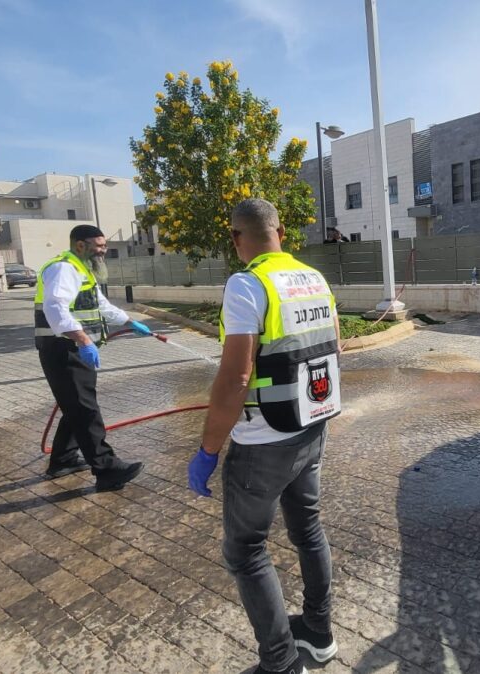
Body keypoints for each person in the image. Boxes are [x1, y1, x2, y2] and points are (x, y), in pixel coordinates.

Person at [188, 199, 342, 674]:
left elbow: (237, 377)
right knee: (308, 529)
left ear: (237, 238)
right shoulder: (314, 279)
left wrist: (208, 450)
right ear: (281, 232)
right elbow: (335, 346)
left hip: (262, 442)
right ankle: (318, 632)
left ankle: (280, 663)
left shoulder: (247, 284)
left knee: (245, 548)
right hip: (312, 424)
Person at [34, 224, 150, 491]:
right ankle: (107, 469)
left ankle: (63, 459)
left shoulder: (82, 269)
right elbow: (55, 308)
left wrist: (129, 322)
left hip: (73, 348)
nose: (103, 251)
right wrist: (84, 340)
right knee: (85, 409)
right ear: (80, 245)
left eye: (104, 246)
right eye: (99, 246)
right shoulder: (64, 268)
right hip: (63, 348)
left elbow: (101, 305)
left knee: (76, 406)